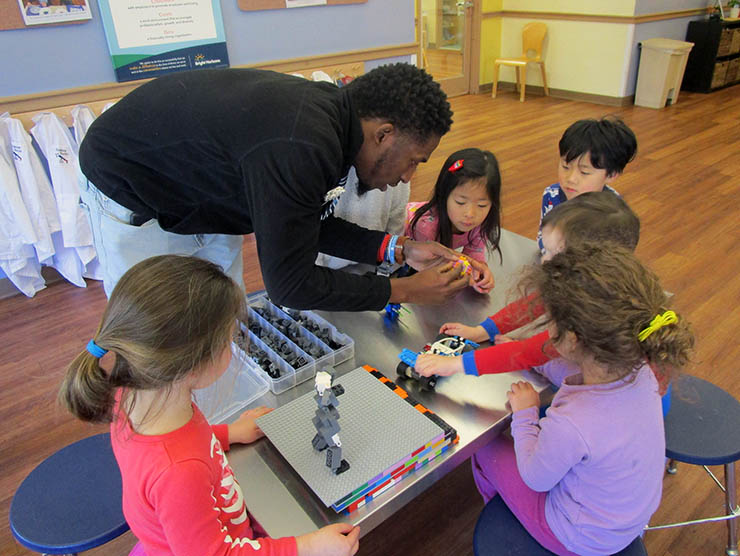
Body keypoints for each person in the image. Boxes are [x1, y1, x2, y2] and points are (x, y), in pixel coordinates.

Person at [78, 63, 483, 310]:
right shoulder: (302, 144)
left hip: (199, 187)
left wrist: (399, 249)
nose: (408, 177)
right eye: (413, 160)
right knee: (160, 332)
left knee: (217, 314)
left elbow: (299, 220)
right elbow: (290, 284)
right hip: (132, 184)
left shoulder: (336, 126)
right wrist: (404, 290)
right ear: (384, 134)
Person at [59, 255, 360, 556]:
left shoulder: (135, 397)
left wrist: (229, 434)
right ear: (193, 365)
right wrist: (307, 547)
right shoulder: (179, 474)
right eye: (229, 339)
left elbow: (186, 440)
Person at [471, 244, 694, 555]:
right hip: (627, 522)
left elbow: (536, 477)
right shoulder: (640, 369)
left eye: (550, 319)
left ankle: (513, 521)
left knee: (485, 446)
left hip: (577, 537)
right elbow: (570, 371)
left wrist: (526, 415)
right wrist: (528, 357)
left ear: (573, 339)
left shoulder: (574, 421)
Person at [416, 192, 648, 383]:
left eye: (553, 253)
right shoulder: (594, 281)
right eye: (545, 250)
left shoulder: (591, 311)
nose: (544, 260)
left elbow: (530, 353)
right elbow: (533, 304)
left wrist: (454, 364)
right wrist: (481, 331)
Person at [405, 148, 501, 293]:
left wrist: (479, 273)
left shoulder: (481, 222)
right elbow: (430, 269)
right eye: (460, 202)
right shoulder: (426, 226)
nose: (470, 214)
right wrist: (466, 276)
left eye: (482, 205)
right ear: (444, 196)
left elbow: (474, 253)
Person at [537, 116, 637, 252]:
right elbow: (543, 238)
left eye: (584, 172)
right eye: (565, 166)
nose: (571, 178)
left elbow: (614, 260)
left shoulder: (614, 213)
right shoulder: (552, 195)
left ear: (611, 175)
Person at [315, 167, 409, 275]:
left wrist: (401, 250)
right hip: (320, 273)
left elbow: (395, 225)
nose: (407, 178)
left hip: (370, 268)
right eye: (413, 161)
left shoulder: (399, 174)